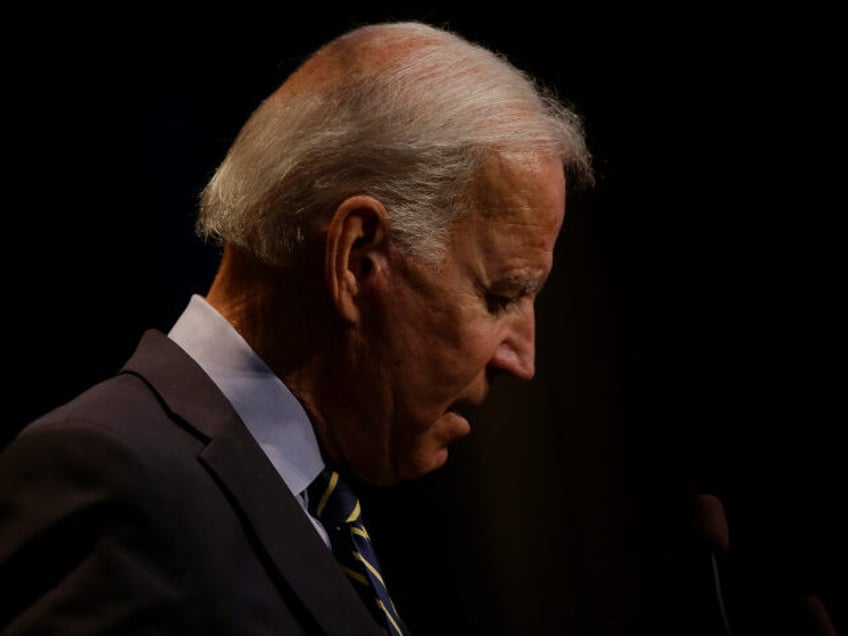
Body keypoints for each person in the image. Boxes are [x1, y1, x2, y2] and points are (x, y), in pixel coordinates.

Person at [0, 20, 593, 635]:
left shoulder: (313, 500)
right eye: (500, 295)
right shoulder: (113, 478)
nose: (523, 359)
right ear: (359, 261)